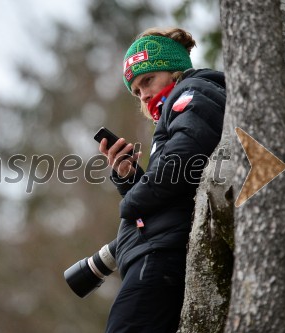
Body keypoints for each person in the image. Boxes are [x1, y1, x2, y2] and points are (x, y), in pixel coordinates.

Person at [98, 27, 226, 332]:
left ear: (175, 70)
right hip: (158, 255)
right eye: (137, 91)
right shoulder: (181, 101)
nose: (144, 94)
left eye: (147, 80)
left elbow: (182, 161)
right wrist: (128, 177)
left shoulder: (194, 90)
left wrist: (131, 202)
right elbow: (177, 191)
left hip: (158, 258)